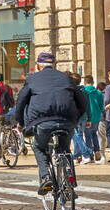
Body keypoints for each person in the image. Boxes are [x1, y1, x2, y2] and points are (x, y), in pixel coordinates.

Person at [14, 52, 88, 195]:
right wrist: (76, 118)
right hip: (67, 120)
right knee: (65, 147)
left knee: (39, 147)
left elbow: (21, 102)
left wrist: (20, 122)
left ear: (38, 66)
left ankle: (45, 177)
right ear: (54, 65)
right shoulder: (66, 78)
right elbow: (82, 101)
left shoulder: (32, 79)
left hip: (42, 121)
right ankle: (69, 176)